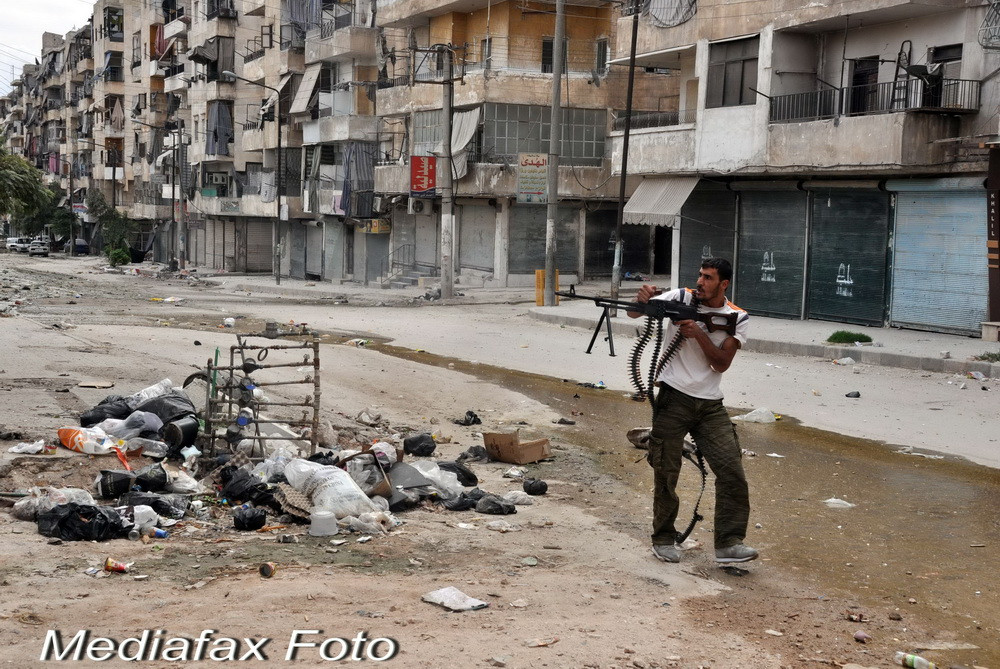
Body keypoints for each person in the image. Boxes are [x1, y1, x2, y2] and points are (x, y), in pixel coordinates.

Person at [628, 257, 757, 564]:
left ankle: (728, 544)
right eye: (699, 275)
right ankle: (663, 538)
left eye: (708, 278)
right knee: (665, 471)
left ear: (723, 284)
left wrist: (698, 333)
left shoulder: (736, 317)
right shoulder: (680, 297)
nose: (700, 282)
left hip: (711, 404)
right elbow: (636, 312)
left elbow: (721, 363)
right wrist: (642, 298)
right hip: (673, 398)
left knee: (731, 471)